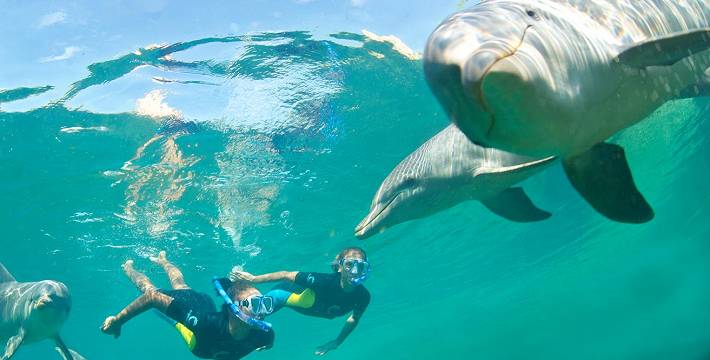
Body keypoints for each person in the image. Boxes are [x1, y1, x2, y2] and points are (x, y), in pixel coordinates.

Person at [101, 251, 274, 359]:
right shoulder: (205, 324)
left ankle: (163, 260)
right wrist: (117, 321)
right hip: (194, 309)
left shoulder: (264, 334)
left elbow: (269, 339)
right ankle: (129, 268)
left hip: (203, 303)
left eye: (265, 303)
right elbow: (152, 297)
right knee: (149, 289)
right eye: (254, 304)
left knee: (181, 284)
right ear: (232, 309)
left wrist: (268, 345)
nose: (261, 311)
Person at [230, 247, 370, 356]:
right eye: (350, 264)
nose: (355, 271)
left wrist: (337, 342)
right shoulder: (323, 281)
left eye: (361, 266)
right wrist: (254, 279)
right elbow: (286, 275)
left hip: (309, 305)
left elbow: (354, 318)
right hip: (284, 294)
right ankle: (238, 286)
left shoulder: (363, 296)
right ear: (340, 267)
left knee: (256, 321)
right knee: (251, 312)